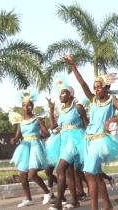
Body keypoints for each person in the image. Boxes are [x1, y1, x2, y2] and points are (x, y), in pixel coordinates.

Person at [64, 53, 118, 210]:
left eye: (99, 87)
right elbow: (83, 84)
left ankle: (94, 208)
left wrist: (110, 121)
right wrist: (73, 65)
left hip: (100, 140)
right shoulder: (93, 99)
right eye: (95, 87)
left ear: (107, 87)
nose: (96, 89)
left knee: (88, 174)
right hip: (88, 138)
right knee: (97, 174)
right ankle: (107, 205)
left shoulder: (112, 100)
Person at [46, 73, 89, 210]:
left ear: (70, 95)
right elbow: (53, 126)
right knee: (69, 172)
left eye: (63, 93)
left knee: (60, 169)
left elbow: (86, 125)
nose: (60, 95)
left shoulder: (78, 108)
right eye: (60, 93)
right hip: (63, 141)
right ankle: (75, 201)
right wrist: (51, 109)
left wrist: (91, 139)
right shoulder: (61, 109)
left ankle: (58, 202)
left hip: (74, 141)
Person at [9, 87, 51, 208]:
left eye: (27, 105)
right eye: (23, 106)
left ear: (32, 107)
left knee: (32, 173)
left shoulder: (37, 119)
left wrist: (43, 133)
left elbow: (46, 133)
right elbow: (18, 135)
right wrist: (14, 139)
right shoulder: (20, 121)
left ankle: (47, 192)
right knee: (23, 175)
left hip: (36, 146)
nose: (25, 108)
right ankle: (28, 199)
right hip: (25, 147)